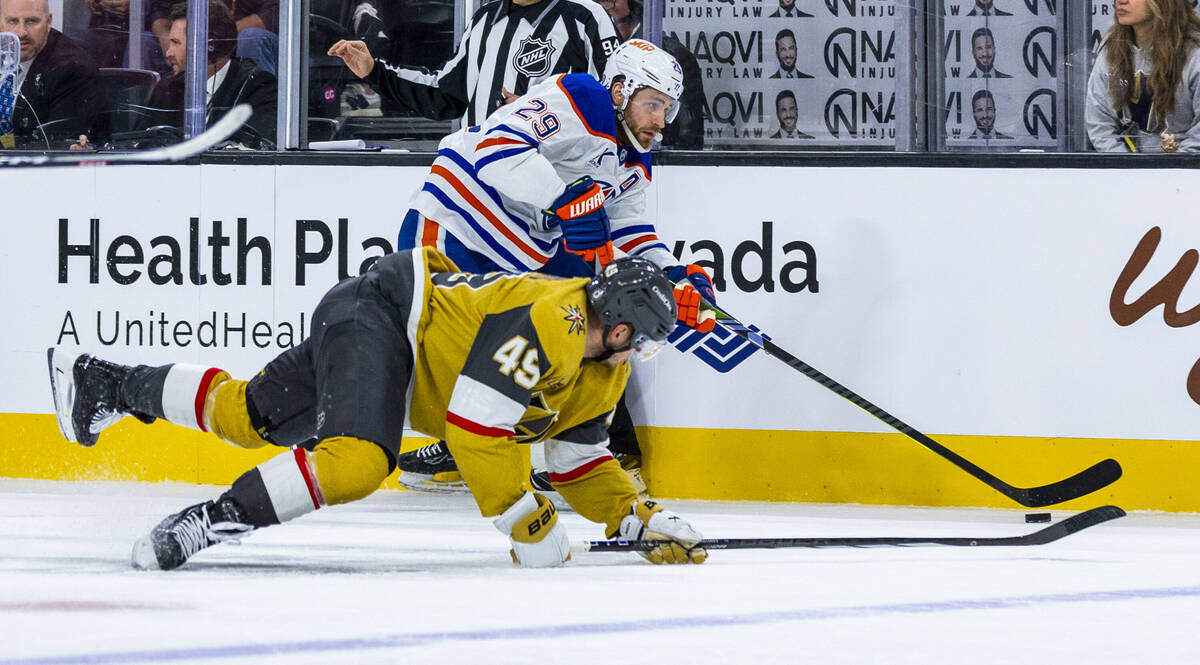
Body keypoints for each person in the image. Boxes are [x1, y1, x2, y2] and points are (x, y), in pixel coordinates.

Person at [48, 249, 708, 570]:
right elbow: (476, 428)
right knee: (359, 461)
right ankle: (202, 521)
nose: (641, 356)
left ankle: (109, 386)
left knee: (247, 417)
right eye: (644, 344)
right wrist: (524, 518)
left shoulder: (599, 375)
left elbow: (576, 459)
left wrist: (636, 516)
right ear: (621, 332)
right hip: (381, 313)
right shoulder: (552, 320)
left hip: (390, 338)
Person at [392, 40, 718, 493]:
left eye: (668, 108)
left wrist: (674, 275)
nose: (660, 120)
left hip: (523, 249)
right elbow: (496, 147)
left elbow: (631, 230)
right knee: (432, 345)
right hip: (459, 223)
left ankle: (560, 450)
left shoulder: (634, 154)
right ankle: (457, 441)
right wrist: (563, 200)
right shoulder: (584, 98)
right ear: (620, 90)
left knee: (566, 329)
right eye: (652, 104)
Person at [326, 0, 619, 125]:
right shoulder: (484, 19)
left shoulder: (585, 16)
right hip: (479, 187)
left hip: (553, 190)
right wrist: (376, 71)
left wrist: (543, 113)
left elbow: (615, 103)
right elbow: (446, 93)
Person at [140, 1, 277, 148]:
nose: (168, 53)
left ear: (210, 47)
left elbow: (256, 151)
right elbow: (140, 143)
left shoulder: (258, 87)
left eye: (176, 42)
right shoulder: (168, 88)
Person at [1086, 0, 1200, 152]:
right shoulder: (1112, 47)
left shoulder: (1195, 53)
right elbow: (1100, 124)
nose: (1121, 1)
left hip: (1185, 171)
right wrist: (1125, 166)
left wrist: (1172, 169)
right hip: (1124, 170)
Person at [596, 0, 705, 149]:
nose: (602, 7)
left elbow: (687, 134)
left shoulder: (673, 57)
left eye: (610, 0)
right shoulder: (588, 46)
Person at [0, 0, 100, 148]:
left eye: (32, 21)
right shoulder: (5, 48)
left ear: (48, 22)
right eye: (12, 21)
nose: (21, 32)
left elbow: (51, 147)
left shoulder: (72, 69)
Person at [150, 0, 279, 75]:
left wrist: (221, 34)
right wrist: (169, 39)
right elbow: (160, 8)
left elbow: (275, 12)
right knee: (146, 44)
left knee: (251, 37)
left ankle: (252, 108)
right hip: (199, 37)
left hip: (248, 42)